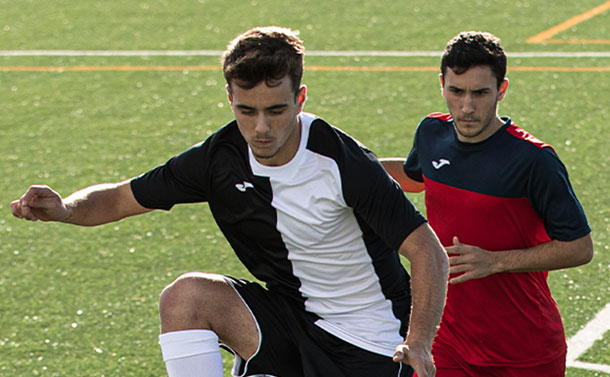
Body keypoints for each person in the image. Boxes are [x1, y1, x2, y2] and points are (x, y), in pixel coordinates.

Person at [11, 26, 449, 377]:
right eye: (246, 111)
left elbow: (427, 250)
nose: (261, 128)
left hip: (373, 343)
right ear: (229, 99)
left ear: (300, 98)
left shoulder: (340, 161)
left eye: (276, 111)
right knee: (186, 297)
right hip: (290, 323)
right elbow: (120, 198)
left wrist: (418, 342)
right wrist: (65, 209)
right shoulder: (217, 159)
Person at [381, 31, 593, 377]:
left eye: (480, 93)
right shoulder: (431, 134)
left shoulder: (534, 160)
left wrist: (496, 261)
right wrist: (347, 166)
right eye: (457, 91)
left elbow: (580, 248)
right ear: (442, 85)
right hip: (447, 340)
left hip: (524, 350)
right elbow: (416, 178)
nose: (467, 107)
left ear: (502, 90)